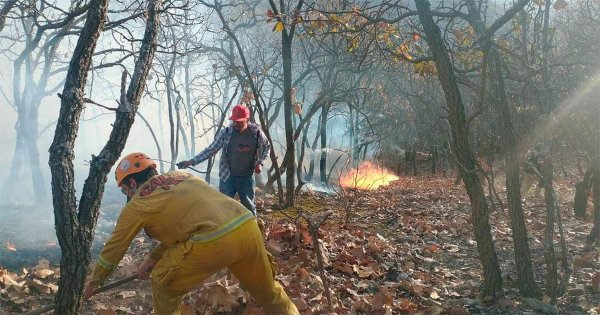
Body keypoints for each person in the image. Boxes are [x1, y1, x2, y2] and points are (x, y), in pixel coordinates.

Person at [84, 152, 298, 315]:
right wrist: (152, 258)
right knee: (267, 290)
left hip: (214, 241)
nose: (127, 195)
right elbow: (190, 223)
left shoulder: (138, 203)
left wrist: (95, 282)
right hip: (246, 226)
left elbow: (115, 246)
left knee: (163, 283)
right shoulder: (182, 176)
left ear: (132, 182)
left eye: (125, 190)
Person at [177, 104, 270, 217]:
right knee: (223, 207)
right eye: (234, 120)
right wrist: (191, 161)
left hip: (246, 178)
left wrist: (260, 163)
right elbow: (211, 150)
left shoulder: (257, 133)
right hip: (227, 177)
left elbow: (266, 148)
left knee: (249, 208)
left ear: (247, 119)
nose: (236, 123)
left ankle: (253, 231)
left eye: (240, 121)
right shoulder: (226, 133)